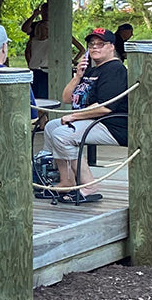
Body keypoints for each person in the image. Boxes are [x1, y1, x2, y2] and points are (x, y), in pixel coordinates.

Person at [44, 28, 129, 203]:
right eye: (91, 44)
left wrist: (74, 117)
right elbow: (66, 98)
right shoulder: (91, 70)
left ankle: (89, 187)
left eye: (101, 44)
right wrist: (77, 77)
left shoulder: (115, 69)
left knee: (62, 135)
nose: (95, 48)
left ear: (111, 47)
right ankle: (66, 180)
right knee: (51, 126)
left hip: (112, 125)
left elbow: (106, 107)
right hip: (92, 120)